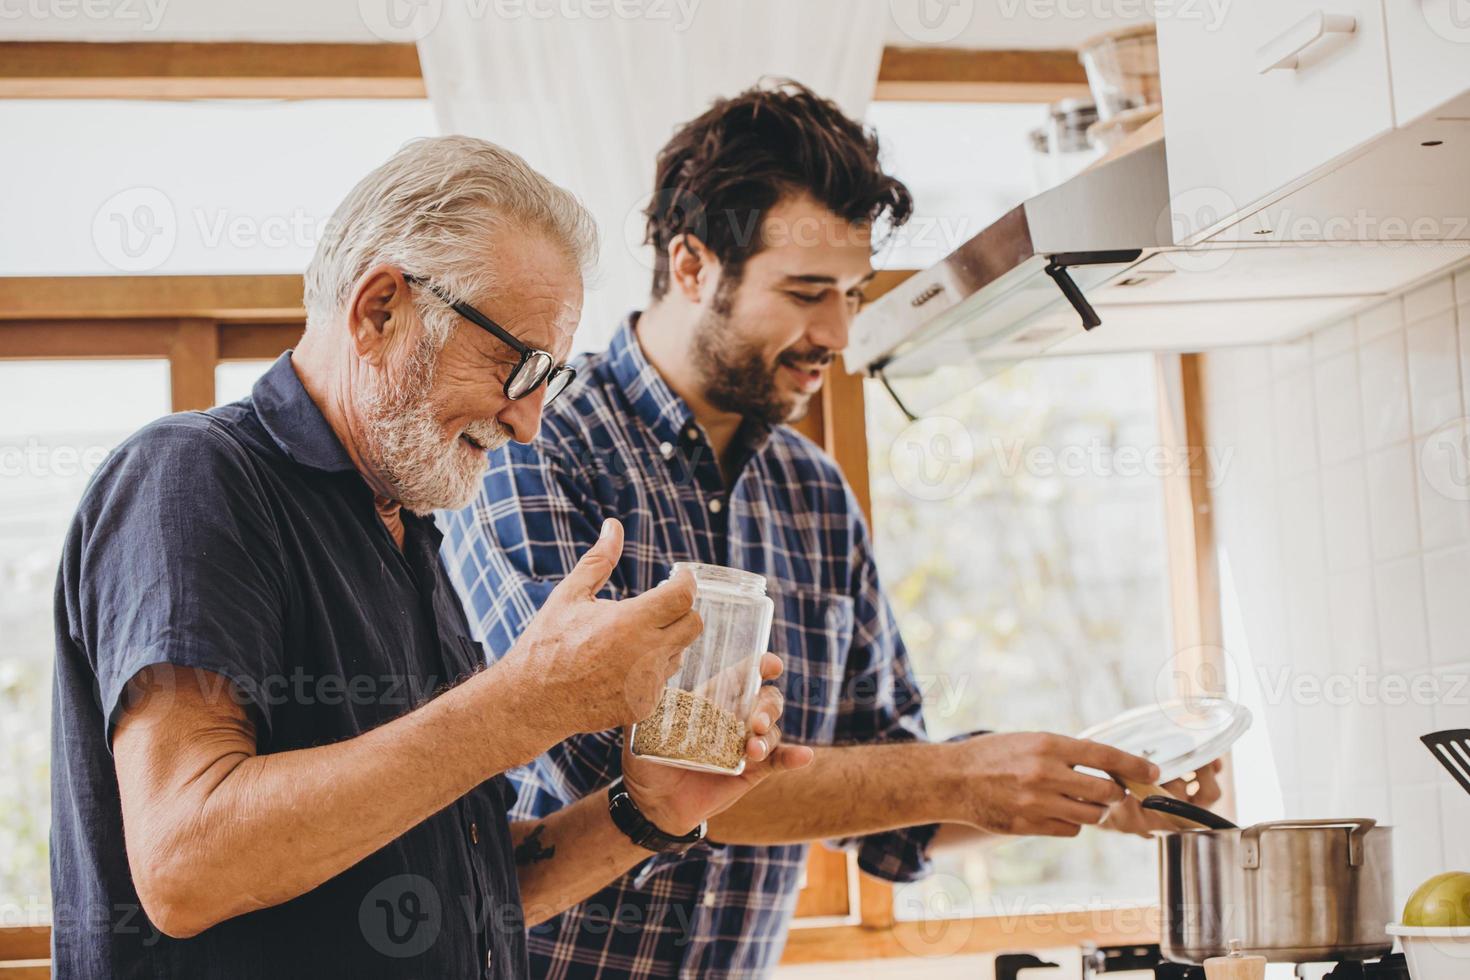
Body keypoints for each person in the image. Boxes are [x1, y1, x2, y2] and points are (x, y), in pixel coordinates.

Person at [440, 82, 1222, 978]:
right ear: (692, 266)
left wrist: (1078, 789)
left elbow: (892, 788)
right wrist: (960, 774)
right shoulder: (540, 444)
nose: (839, 334)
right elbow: (624, 779)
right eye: (809, 292)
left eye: (853, 293)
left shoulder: (813, 493)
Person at [48, 135, 811, 979]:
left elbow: (468, 891)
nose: (529, 422)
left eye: (547, 380)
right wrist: (528, 701)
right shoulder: (192, 478)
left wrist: (648, 810)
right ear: (381, 310)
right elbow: (186, 865)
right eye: (518, 364)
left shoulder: (409, 535)